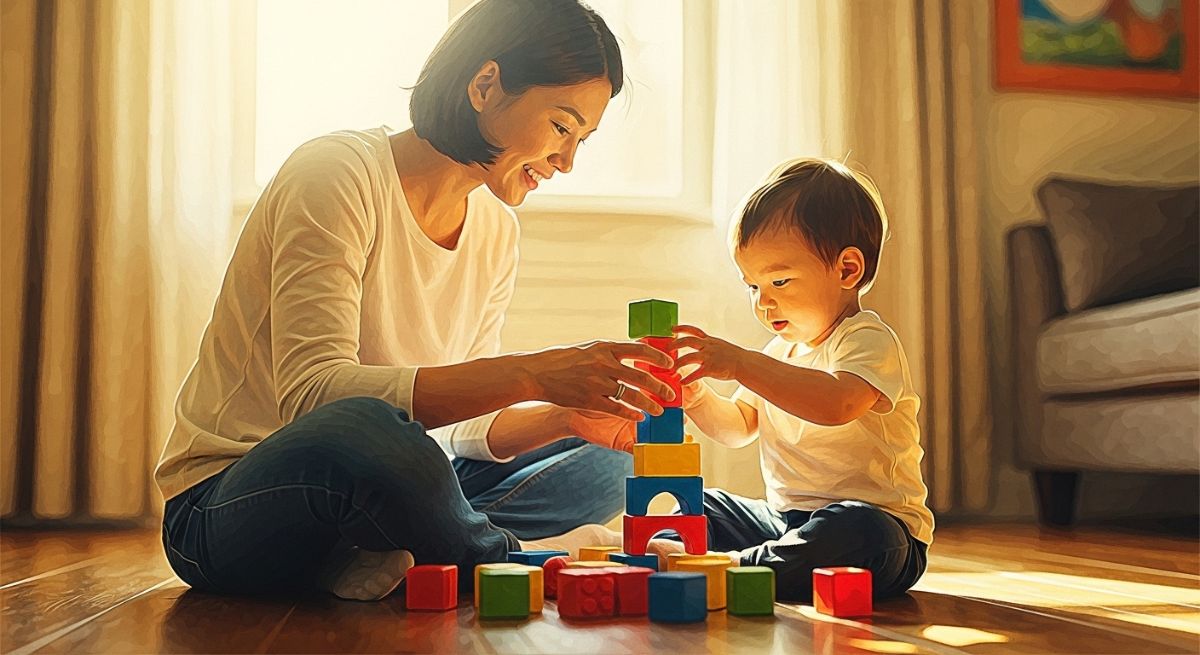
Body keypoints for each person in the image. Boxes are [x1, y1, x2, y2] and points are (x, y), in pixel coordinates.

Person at [156, 0, 672, 601]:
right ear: (485, 85)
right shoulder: (336, 173)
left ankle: (415, 550)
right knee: (371, 430)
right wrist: (531, 374)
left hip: (385, 483)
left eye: (582, 139)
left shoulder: (495, 229)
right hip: (227, 504)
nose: (567, 162)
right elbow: (312, 395)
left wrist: (563, 417)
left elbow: (461, 421)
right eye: (562, 127)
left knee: (606, 456)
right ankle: (513, 559)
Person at [649, 157, 933, 601]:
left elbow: (835, 404)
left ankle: (736, 567)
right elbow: (739, 426)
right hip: (785, 521)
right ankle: (672, 554)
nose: (762, 303)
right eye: (752, 286)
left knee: (859, 531)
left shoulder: (867, 340)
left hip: (882, 528)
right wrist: (698, 396)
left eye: (779, 281)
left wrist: (740, 364)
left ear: (847, 270)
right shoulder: (778, 355)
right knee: (705, 504)